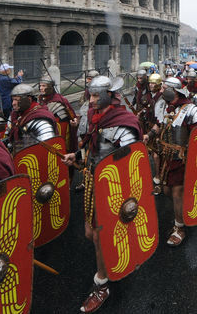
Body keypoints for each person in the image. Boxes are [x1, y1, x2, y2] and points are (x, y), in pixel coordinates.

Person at [62, 76, 141, 313]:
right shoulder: (96, 117)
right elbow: (91, 145)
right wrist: (76, 156)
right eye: (91, 95)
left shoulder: (124, 122)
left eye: (96, 95)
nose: (92, 99)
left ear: (109, 95)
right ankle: (116, 257)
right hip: (92, 180)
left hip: (114, 188)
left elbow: (131, 160)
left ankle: (102, 284)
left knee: (98, 235)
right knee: (89, 233)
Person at [145, 77, 197, 246]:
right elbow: (159, 124)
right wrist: (149, 135)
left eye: (164, 88)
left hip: (182, 159)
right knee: (166, 190)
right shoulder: (166, 107)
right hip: (166, 157)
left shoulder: (191, 110)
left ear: (174, 91)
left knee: (176, 192)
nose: (161, 91)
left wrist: (195, 159)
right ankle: (184, 210)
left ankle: (180, 227)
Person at [7, 83, 57, 153]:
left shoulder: (40, 119)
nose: (13, 103)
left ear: (29, 99)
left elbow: (47, 149)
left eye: (16, 100)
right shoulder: (14, 115)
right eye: (13, 100)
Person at [38, 75, 77, 152]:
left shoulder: (60, 100)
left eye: (43, 86)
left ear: (50, 87)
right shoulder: (39, 99)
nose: (41, 88)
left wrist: (74, 121)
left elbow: (72, 117)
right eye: (40, 86)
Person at [141, 73, 166, 195]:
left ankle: (159, 177)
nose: (151, 85)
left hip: (159, 130)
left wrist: (150, 134)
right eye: (150, 83)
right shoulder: (150, 95)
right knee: (152, 153)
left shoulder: (161, 98)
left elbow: (160, 121)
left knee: (158, 155)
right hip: (150, 127)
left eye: (153, 83)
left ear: (158, 84)